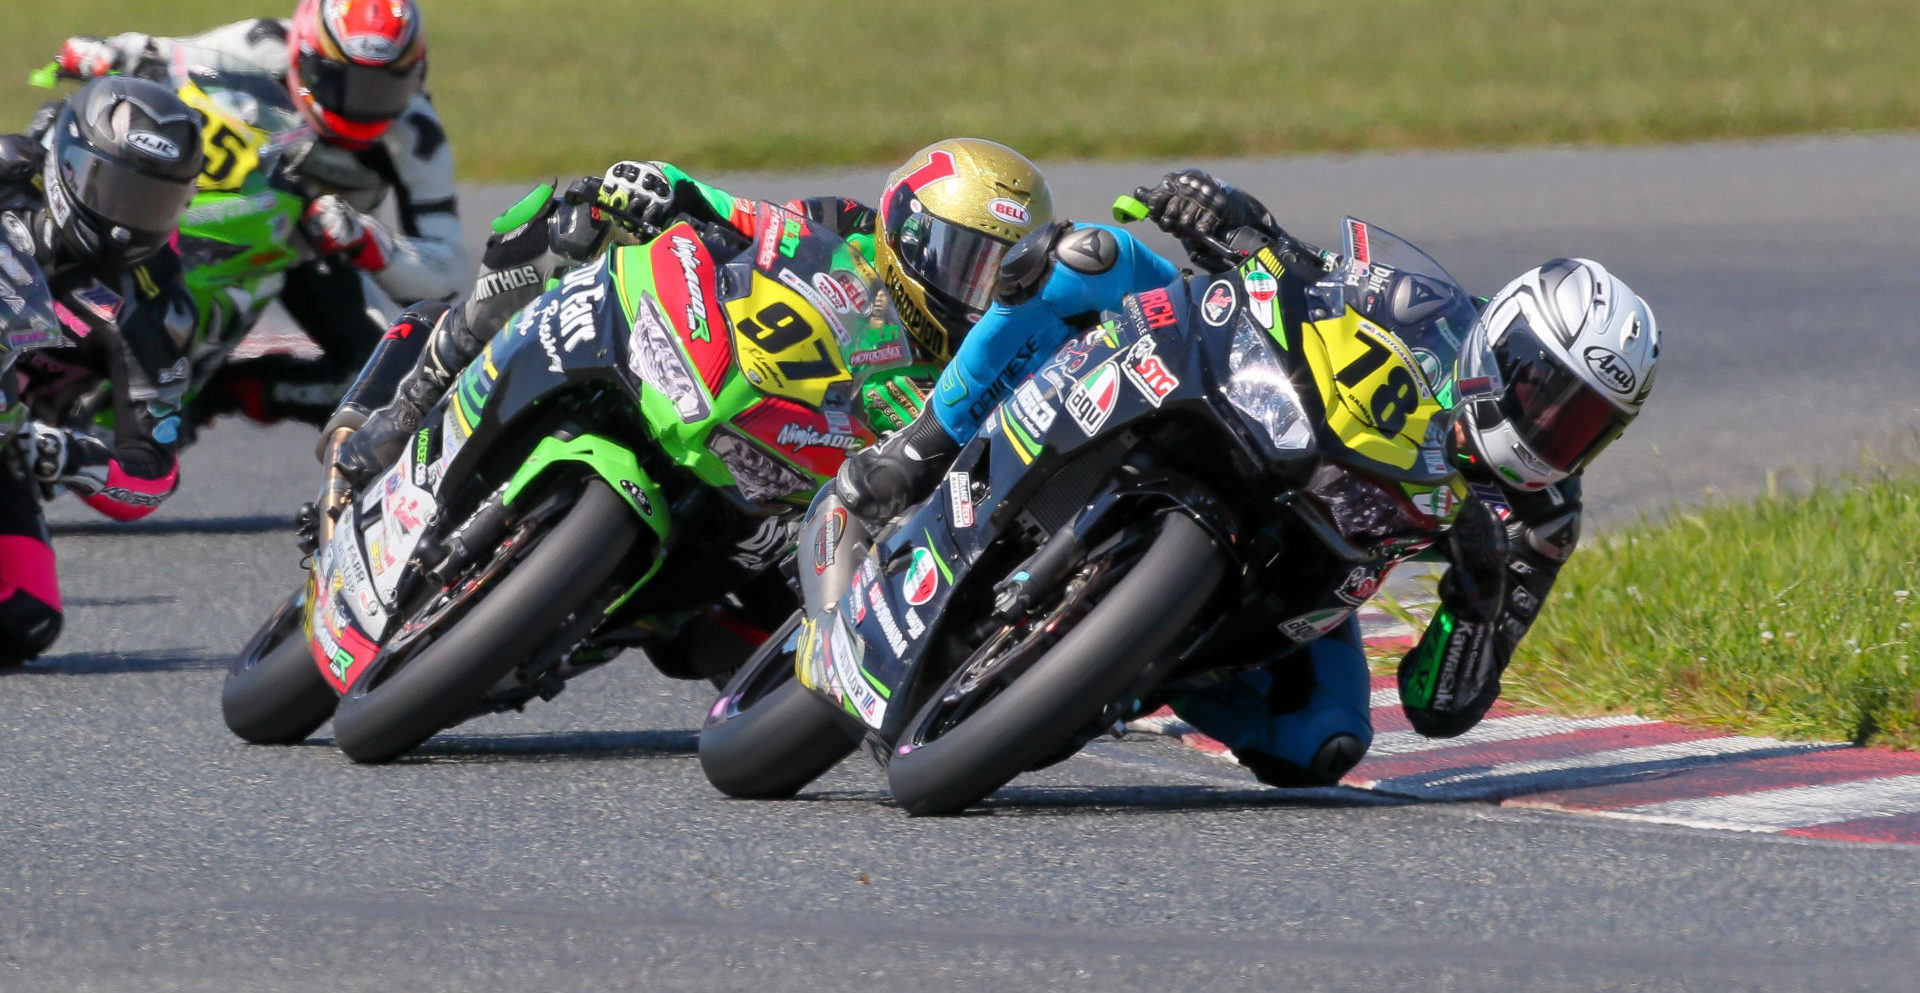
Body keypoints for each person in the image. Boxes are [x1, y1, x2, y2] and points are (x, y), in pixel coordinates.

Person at [834, 169, 1661, 786]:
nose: (1548, 428)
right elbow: (1309, 272)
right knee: (1087, 258)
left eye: (1583, 423)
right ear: (1505, 340)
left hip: (1309, 557)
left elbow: (1440, 705)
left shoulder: (1541, 519)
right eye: (1540, 390)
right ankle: (921, 446)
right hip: (1255, 411)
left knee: (1326, 740)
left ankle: (1124, 674)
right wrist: (1233, 219)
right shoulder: (1433, 315)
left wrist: (1472, 608)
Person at [330, 136, 1053, 481]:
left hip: (778, 480)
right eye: (963, 259)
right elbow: (751, 220)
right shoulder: (850, 227)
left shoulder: (971, 370)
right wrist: (658, 188)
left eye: (993, 274)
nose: (971, 289)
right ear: (911, 231)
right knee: (548, 228)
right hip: (708, 357)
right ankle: (402, 410)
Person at [56, 0, 466, 427]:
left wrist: (367, 239)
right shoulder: (263, 42)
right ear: (303, 54)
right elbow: (169, 56)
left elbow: (447, 266)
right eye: (337, 81)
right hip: (220, 200)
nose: (358, 105)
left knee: (385, 382)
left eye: (383, 88)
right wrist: (107, 54)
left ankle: (224, 389)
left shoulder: (418, 139)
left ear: (415, 73)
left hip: (312, 245)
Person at [0, 76, 205, 665]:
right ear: (64, 164)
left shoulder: (156, 308)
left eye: (151, 202)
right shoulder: (9, 175)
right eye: (112, 190)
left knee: (28, 617)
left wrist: (66, 456)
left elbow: (154, 472)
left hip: (11, 437)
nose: (126, 221)